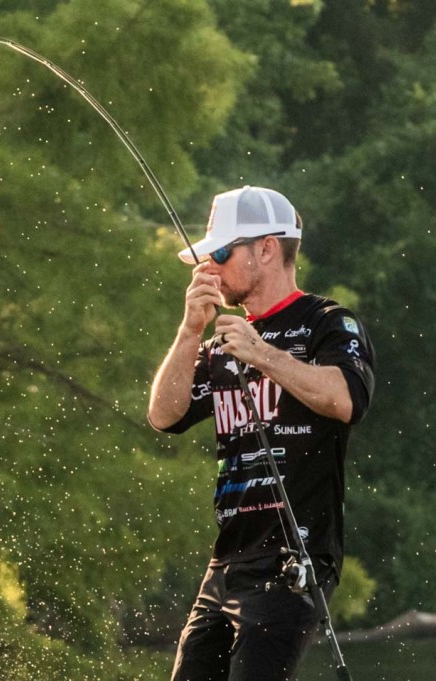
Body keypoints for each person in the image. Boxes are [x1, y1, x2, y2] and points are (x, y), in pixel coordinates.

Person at [148, 186, 375, 681]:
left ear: (267, 248)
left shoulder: (327, 322)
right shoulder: (222, 341)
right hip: (227, 561)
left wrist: (262, 354)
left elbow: (346, 399)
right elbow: (164, 416)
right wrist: (189, 332)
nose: (210, 269)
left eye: (221, 255)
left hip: (294, 560)